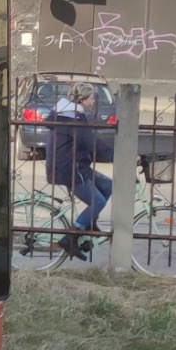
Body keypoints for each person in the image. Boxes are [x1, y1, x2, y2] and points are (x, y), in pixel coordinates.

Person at [44, 86, 113, 258]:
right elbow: (92, 143)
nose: (94, 101)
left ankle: (89, 224)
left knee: (108, 186)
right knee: (97, 201)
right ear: (81, 99)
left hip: (75, 166)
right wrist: (117, 155)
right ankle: (70, 238)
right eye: (91, 98)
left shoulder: (70, 115)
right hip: (70, 169)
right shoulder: (73, 118)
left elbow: (87, 143)